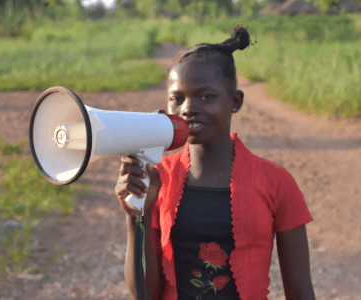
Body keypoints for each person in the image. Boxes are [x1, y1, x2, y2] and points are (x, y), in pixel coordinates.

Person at [115, 25, 316, 300]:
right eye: (177, 98)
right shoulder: (157, 179)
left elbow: (301, 290)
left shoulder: (276, 182)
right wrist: (136, 214)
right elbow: (144, 295)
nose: (187, 108)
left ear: (235, 101)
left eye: (206, 96)